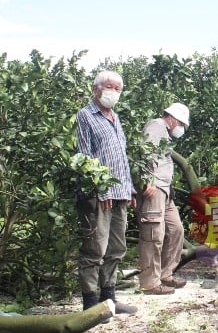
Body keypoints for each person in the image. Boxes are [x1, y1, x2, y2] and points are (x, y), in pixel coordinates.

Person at [75, 70, 138, 314]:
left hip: (120, 193)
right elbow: (85, 158)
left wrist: (129, 188)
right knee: (94, 250)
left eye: (117, 89)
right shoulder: (85, 116)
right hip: (98, 196)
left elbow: (121, 158)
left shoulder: (115, 117)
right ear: (96, 89)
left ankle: (109, 299)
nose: (113, 92)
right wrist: (101, 191)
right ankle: (91, 305)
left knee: (116, 248)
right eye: (109, 87)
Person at [137, 103, 190, 294]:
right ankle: (150, 283)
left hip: (166, 191)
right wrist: (147, 180)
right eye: (181, 124)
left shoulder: (165, 133)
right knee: (153, 235)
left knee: (176, 230)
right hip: (154, 188)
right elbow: (144, 153)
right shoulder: (156, 126)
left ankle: (165, 274)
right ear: (173, 118)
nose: (181, 128)